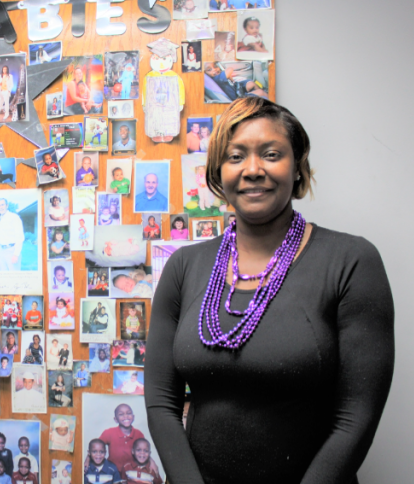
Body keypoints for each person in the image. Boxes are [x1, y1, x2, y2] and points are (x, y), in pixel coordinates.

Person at [145, 97, 395, 484]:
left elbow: (356, 417)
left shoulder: (350, 261)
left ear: (298, 167)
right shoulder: (183, 266)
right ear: (219, 172)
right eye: (235, 156)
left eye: (271, 154)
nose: (252, 169)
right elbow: (161, 402)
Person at [204, 62, 268, 102]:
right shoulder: (217, 79)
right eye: (209, 69)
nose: (214, 69)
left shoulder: (220, 77)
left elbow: (229, 77)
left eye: (215, 66)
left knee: (251, 83)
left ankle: (260, 98)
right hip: (238, 99)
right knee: (261, 92)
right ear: (205, 74)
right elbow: (230, 69)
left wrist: (232, 80)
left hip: (237, 89)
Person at [0, 198, 25, 271]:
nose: (0, 207)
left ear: (7, 206)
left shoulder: (14, 217)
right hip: (2, 251)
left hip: (12, 251)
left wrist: (16, 254)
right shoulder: (0, 219)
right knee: (4, 276)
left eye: (2, 205)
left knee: (14, 276)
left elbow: (19, 237)